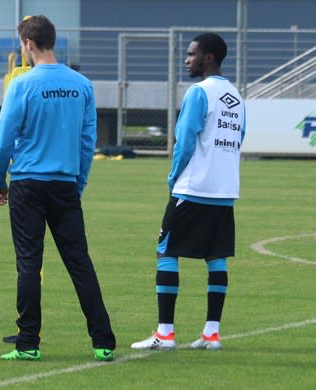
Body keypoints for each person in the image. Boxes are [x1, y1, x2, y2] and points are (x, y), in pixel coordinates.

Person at [0, 15, 116, 362]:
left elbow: (4, 140)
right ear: (52, 41)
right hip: (64, 185)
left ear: (27, 44)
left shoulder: (23, 84)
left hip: (28, 183)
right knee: (79, 262)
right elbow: (87, 141)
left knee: (29, 263)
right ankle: (103, 341)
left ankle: (28, 342)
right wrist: (79, 182)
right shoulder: (82, 85)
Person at [131, 33, 246, 351]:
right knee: (216, 256)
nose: (187, 59)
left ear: (209, 57)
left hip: (192, 189)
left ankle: (165, 333)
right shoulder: (236, 97)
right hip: (224, 191)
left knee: (166, 252)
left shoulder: (199, 93)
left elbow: (184, 141)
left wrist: (173, 178)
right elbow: (239, 138)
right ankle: (212, 334)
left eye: (192, 53)